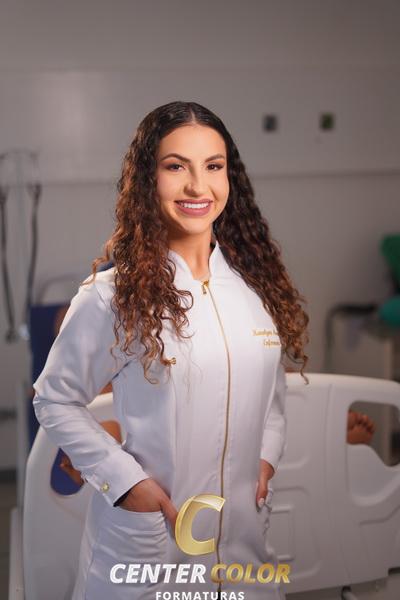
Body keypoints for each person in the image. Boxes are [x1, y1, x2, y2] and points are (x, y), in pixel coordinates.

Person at [32, 101, 310, 600]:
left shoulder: (255, 288)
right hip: (151, 551)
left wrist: (266, 458)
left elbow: (271, 397)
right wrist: (124, 483)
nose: (198, 187)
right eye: (176, 167)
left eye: (213, 166)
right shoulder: (114, 297)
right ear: (148, 179)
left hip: (244, 552)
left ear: (230, 177)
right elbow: (54, 398)